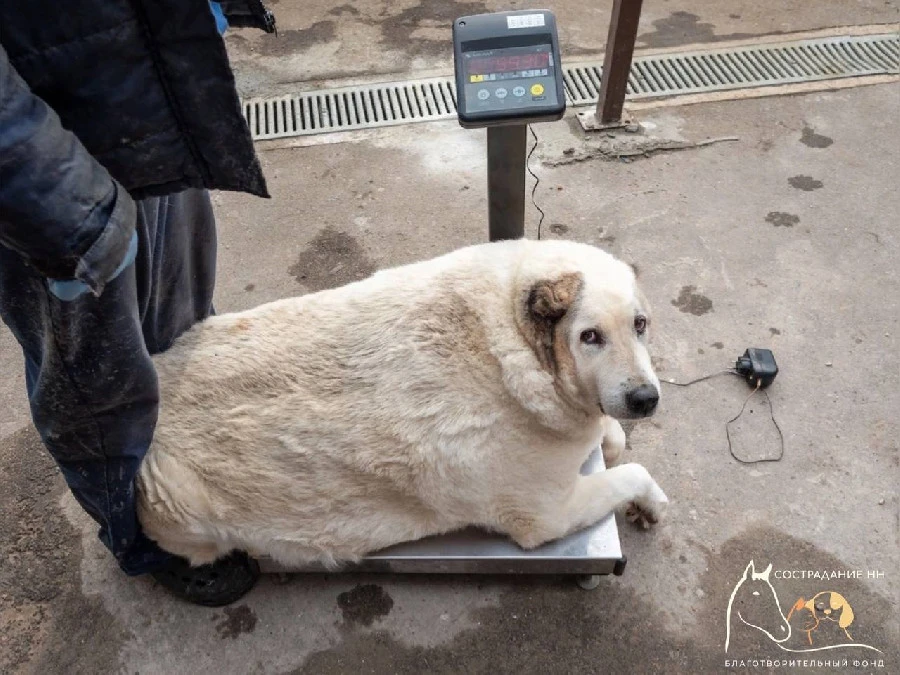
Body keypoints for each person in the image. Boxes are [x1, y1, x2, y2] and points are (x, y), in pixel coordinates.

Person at [0, 0, 276, 606]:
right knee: (99, 392)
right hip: (40, 169)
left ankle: (193, 469)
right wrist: (59, 210)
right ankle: (146, 536)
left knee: (183, 332)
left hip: (133, 96)